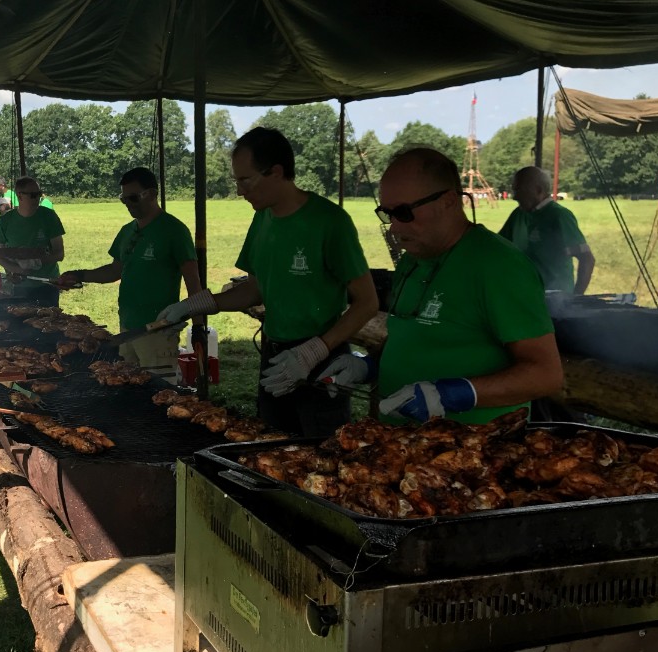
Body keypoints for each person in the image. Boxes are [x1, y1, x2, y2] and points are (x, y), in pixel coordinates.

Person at [155, 127, 378, 436]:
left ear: (276, 172)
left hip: (322, 358)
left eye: (245, 180)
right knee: (269, 445)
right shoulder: (263, 218)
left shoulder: (329, 222)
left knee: (320, 456)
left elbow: (367, 302)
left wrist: (313, 351)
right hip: (275, 355)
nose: (239, 191)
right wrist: (198, 303)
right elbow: (255, 288)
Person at [327, 147, 564, 423]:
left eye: (404, 213)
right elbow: (412, 338)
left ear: (449, 201)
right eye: (387, 213)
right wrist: (369, 365)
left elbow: (546, 374)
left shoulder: (498, 266)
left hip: (473, 453)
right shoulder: (413, 259)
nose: (394, 228)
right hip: (398, 448)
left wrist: (459, 393)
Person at [57, 167, 200, 378]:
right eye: (124, 199)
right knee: (128, 388)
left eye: (133, 198)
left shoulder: (174, 231)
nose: (128, 205)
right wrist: (79, 275)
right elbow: (115, 270)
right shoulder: (127, 231)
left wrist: (198, 328)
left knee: (159, 393)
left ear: (151, 194)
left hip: (158, 330)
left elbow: (193, 282)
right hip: (128, 328)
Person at [498, 165, 594, 295]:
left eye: (519, 190)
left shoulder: (559, 216)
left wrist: (576, 298)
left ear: (538, 190)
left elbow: (587, 259)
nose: (514, 197)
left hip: (555, 300)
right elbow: (497, 247)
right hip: (525, 295)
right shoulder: (519, 214)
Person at [0, 175, 66, 307]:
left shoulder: (48, 216)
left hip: (47, 284)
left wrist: (35, 262)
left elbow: (59, 253)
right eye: (33, 195)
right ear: (20, 196)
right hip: (20, 286)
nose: (37, 198)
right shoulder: (6, 220)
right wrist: (12, 269)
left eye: (38, 194)